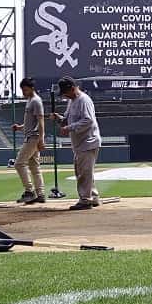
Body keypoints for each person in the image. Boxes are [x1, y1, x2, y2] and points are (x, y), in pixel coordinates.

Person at [53, 76, 101, 210]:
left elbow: (88, 120)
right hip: (80, 143)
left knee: (84, 173)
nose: (64, 96)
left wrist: (69, 128)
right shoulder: (72, 101)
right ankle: (93, 197)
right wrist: (59, 119)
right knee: (84, 172)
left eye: (65, 92)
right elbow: (67, 120)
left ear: (72, 88)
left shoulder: (83, 100)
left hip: (88, 141)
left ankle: (85, 200)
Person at [11, 78, 46, 204]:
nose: (23, 92)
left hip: (33, 138)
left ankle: (29, 191)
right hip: (31, 135)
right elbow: (31, 123)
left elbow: (41, 121)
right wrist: (20, 127)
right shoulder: (30, 101)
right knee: (34, 167)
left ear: (32, 88)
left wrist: (41, 139)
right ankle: (40, 194)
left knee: (19, 164)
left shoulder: (36, 101)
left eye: (25, 89)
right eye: (22, 90)